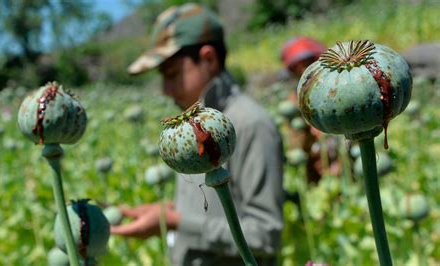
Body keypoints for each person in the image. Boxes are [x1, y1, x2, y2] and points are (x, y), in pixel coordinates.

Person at [111, 3, 285, 265]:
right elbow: (212, 208)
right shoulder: (193, 128)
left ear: (208, 59)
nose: (165, 90)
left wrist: (177, 223)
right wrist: (165, 213)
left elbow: (265, 235)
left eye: (172, 74)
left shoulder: (250, 124)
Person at [280, 36, 341, 183]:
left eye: (308, 64)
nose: (303, 70)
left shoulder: (337, 91)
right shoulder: (293, 103)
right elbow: (295, 148)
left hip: (341, 164)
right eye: (297, 67)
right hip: (316, 171)